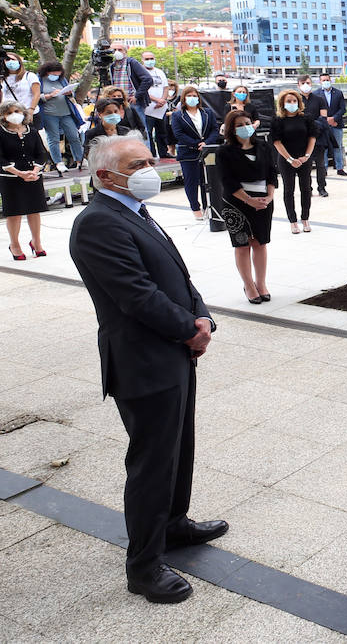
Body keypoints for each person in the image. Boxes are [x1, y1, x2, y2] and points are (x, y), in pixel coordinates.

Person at [68, 134, 222, 605]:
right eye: (137, 164)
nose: (148, 170)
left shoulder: (133, 211)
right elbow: (135, 295)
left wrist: (203, 317)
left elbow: (176, 274)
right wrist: (189, 330)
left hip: (173, 350)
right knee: (153, 463)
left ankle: (174, 525)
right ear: (104, 176)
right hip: (143, 360)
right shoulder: (97, 223)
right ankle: (144, 566)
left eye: (149, 161)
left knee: (180, 448)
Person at [218, 109, 276, 304]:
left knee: (260, 243)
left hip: (263, 202)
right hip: (236, 203)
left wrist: (269, 197)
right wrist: (248, 200)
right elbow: (228, 181)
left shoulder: (264, 147)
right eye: (239, 125)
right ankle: (249, 285)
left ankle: (261, 283)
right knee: (242, 245)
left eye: (247, 123)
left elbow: (272, 173)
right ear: (231, 130)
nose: (245, 128)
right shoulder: (224, 152)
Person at [0, 101, 49, 259]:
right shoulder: (1, 133)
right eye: (9, 112)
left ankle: (36, 242)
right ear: (3, 116)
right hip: (10, 177)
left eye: (17, 111)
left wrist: (35, 171)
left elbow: (41, 153)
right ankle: (14, 244)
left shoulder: (32, 131)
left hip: (33, 176)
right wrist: (20, 173)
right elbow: (0, 159)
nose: (14, 114)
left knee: (34, 210)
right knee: (14, 212)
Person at [168, 86, 221, 221]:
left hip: (207, 151)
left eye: (194, 95)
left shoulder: (207, 112)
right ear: (184, 98)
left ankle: (207, 206)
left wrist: (206, 143)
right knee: (191, 181)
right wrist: (196, 144)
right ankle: (195, 207)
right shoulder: (177, 115)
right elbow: (178, 133)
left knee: (206, 181)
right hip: (188, 152)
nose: (192, 98)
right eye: (189, 96)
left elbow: (214, 129)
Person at [269, 88, 317, 234]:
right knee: (289, 190)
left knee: (306, 188)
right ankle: (293, 221)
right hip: (286, 159)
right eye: (288, 101)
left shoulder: (306, 118)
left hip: (304, 159)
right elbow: (276, 142)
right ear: (283, 103)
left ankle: (305, 218)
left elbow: (312, 137)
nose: (292, 103)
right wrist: (290, 159)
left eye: (294, 101)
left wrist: (306, 156)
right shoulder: (277, 120)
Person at [35, 62, 84, 172]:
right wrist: (50, 95)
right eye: (53, 73)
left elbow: (72, 95)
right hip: (49, 114)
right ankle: (58, 162)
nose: (56, 76)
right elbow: (35, 97)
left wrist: (69, 93)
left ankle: (79, 160)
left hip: (66, 113)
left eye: (58, 74)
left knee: (74, 136)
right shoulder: (39, 80)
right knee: (54, 139)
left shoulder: (62, 80)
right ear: (47, 71)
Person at [105, 43, 154, 127]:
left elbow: (148, 79)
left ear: (125, 52)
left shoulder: (131, 63)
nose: (117, 52)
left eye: (120, 50)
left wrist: (137, 96)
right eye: (114, 50)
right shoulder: (111, 66)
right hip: (117, 102)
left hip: (133, 102)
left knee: (140, 128)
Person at [314, 73, 347, 179]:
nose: (325, 82)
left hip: (336, 124)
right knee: (324, 147)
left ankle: (339, 168)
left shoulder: (338, 93)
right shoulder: (316, 94)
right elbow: (316, 111)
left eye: (327, 80)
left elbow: (342, 109)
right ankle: (324, 168)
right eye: (323, 80)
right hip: (323, 125)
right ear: (320, 82)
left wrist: (334, 118)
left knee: (338, 146)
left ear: (330, 80)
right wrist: (326, 121)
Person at [140, 52, 172, 159]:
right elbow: (141, 90)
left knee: (162, 132)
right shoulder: (140, 72)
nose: (150, 60)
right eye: (147, 59)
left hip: (161, 109)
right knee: (148, 132)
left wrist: (162, 100)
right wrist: (156, 100)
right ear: (142, 60)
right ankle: (151, 154)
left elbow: (166, 87)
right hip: (147, 108)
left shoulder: (159, 72)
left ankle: (164, 152)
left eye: (151, 58)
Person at [83, 99, 133, 163]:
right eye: (108, 112)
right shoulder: (92, 133)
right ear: (100, 115)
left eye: (115, 111)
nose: (113, 115)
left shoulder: (126, 131)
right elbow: (88, 154)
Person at [2, 50, 40, 119]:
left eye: (13, 59)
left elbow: (37, 94)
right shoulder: (2, 78)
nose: (10, 61)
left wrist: (31, 109)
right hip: (9, 113)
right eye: (7, 59)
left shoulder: (29, 75)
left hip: (27, 112)